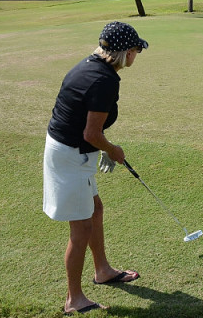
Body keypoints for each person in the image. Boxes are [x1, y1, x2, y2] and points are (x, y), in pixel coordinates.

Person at [43, 21, 148, 314]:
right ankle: (73, 299)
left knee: (95, 209)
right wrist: (112, 150)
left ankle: (102, 271)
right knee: (81, 228)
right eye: (136, 50)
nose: (136, 55)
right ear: (126, 52)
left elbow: (87, 128)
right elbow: (91, 133)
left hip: (74, 151)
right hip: (70, 156)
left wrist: (99, 147)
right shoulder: (105, 80)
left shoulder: (91, 65)